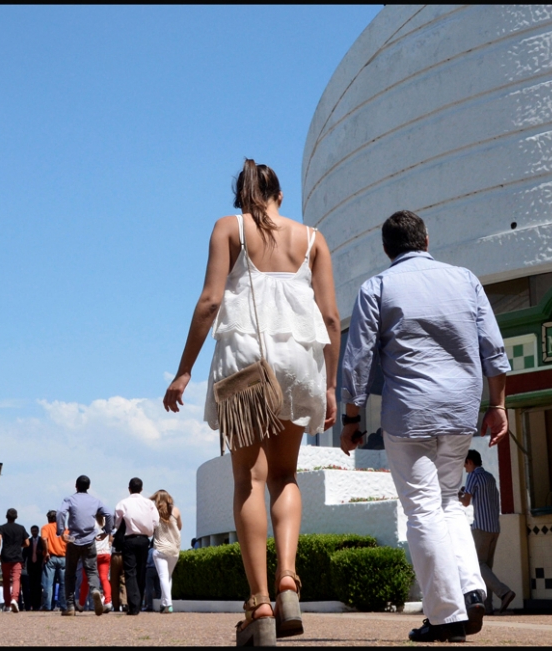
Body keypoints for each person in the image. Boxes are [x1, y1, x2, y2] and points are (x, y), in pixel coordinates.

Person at [163, 159, 340, 645]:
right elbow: (330, 319)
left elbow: (209, 302)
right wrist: (329, 387)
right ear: (278, 193)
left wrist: (184, 370)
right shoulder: (313, 239)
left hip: (245, 360)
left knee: (249, 478)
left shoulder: (230, 228)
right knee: (285, 476)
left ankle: (259, 602)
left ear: (242, 197)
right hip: (302, 362)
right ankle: (288, 580)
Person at [339, 210, 510, 643]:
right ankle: (471, 588)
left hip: (408, 414)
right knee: (450, 501)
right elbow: (493, 346)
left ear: (386, 249)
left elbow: (357, 358)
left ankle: (445, 614)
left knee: (422, 510)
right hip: (459, 412)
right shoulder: (465, 279)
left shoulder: (376, 287)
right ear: (427, 239)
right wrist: (499, 404)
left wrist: (352, 418)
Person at [462, 450, 516, 615]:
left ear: (470, 462)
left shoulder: (473, 476)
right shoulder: (490, 477)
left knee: (477, 567)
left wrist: (458, 495)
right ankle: (489, 607)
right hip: (494, 527)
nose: (465, 468)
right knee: (487, 569)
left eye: (465, 464)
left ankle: (504, 592)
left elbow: (465, 502)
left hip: (481, 527)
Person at [57, 475, 112, 616]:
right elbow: (109, 514)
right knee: (92, 571)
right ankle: (95, 590)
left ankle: (70, 606)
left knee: (70, 573)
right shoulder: (95, 501)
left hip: (73, 540)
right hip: (89, 540)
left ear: (76, 486)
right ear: (88, 487)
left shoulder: (69, 499)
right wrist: (107, 531)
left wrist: (61, 531)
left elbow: (61, 513)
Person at [113, 478, 160, 616]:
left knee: (130, 572)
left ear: (129, 489)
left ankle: (133, 605)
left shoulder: (123, 503)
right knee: (141, 571)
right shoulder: (148, 503)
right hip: (144, 540)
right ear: (142, 489)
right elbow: (156, 522)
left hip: (129, 539)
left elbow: (117, 523)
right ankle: (138, 604)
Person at [150, 490, 182, 614]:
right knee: (168, 577)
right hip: (174, 549)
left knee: (163, 577)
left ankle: (168, 604)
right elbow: (180, 527)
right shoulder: (176, 511)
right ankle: (164, 603)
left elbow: (150, 528)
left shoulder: (154, 512)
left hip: (160, 548)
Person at [0, 508, 29, 613]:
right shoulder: (21, 528)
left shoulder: (2, 527)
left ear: (6, 516)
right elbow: (27, 543)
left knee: (5, 581)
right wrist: (19, 545)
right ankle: (14, 599)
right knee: (16, 579)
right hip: (17, 557)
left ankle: (7, 604)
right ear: (16, 517)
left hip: (5, 556)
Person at [79, 514, 113, 612]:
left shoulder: (89, 522)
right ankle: (108, 602)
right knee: (104, 579)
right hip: (105, 553)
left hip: (92, 554)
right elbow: (111, 537)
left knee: (85, 579)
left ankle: (81, 604)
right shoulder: (106, 522)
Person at [40, 511, 67, 611]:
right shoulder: (64, 529)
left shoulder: (45, 527)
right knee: (63, 583)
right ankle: (64, 605)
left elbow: (43, 539)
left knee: (48, 583)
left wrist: (46, 551)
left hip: (51, 557)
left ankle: (47, 605)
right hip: (63, 557)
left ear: (48, 518)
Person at [23, 525, 44, 611]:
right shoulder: (29, 541)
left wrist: (41, 552)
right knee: (31, 586)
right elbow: (24, 553)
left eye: (35, 531)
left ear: (38, 531)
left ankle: (38, 605)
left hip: (39, 566)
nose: (34, 532)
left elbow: (46, 550)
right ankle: (32, 605)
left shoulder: (42, 541)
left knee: (38, 586)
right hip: (31, 566)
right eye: (32, 531)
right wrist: (23, 562)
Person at [109, 520, 128, 612]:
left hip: (115, 555)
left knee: (114, 581)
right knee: (124, 580)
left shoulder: (113, 530)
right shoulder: (128, 530)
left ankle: (115, 605)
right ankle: (124, 602)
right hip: (125, 555)